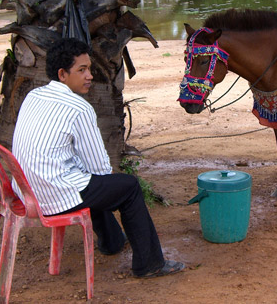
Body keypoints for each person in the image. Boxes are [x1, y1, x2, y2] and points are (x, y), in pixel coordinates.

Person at [11, 38, 185, 278]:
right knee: (127, 187)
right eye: (81, 70)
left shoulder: (34, 95)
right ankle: (150, 264)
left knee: (90, 181)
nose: (90, 76)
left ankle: (112, 241)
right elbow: (100, 168)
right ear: (62, 74)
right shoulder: (78, 108)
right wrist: (96, 175)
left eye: (89, 69)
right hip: (52, 195)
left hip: (26, 189)